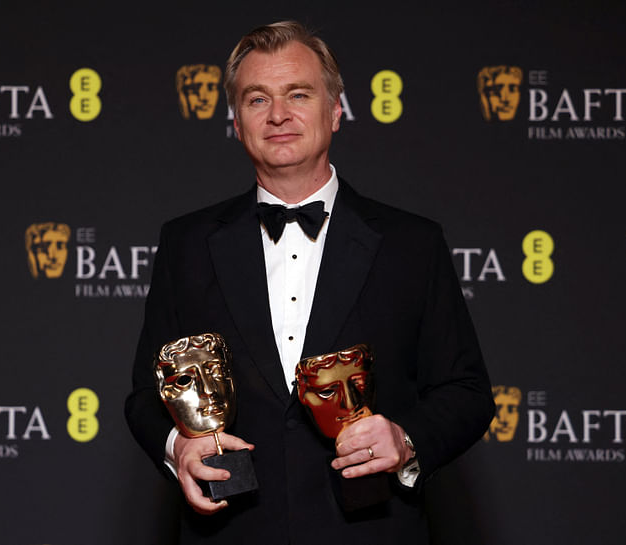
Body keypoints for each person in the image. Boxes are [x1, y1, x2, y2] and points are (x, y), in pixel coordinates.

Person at [126, 20, 494, 544]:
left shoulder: (412, 243)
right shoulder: (185, 244)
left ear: (335, 111)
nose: (278, 115)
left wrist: (405, 437)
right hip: (231, 531)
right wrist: (176, 446)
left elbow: (468, 391)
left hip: (370, 531)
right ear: (236, 119)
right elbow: (145, 394)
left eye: (298, 94)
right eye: (257, 99)